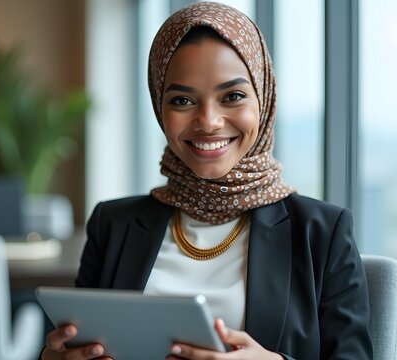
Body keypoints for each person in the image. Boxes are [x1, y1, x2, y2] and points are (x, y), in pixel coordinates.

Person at [42, 2, 372, 359]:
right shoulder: (113, 225)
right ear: (158, 105)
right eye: (183, 100)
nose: (209, 121)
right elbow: (72, 343)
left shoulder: (322, 232)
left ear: (263, 98)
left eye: (233, 96)